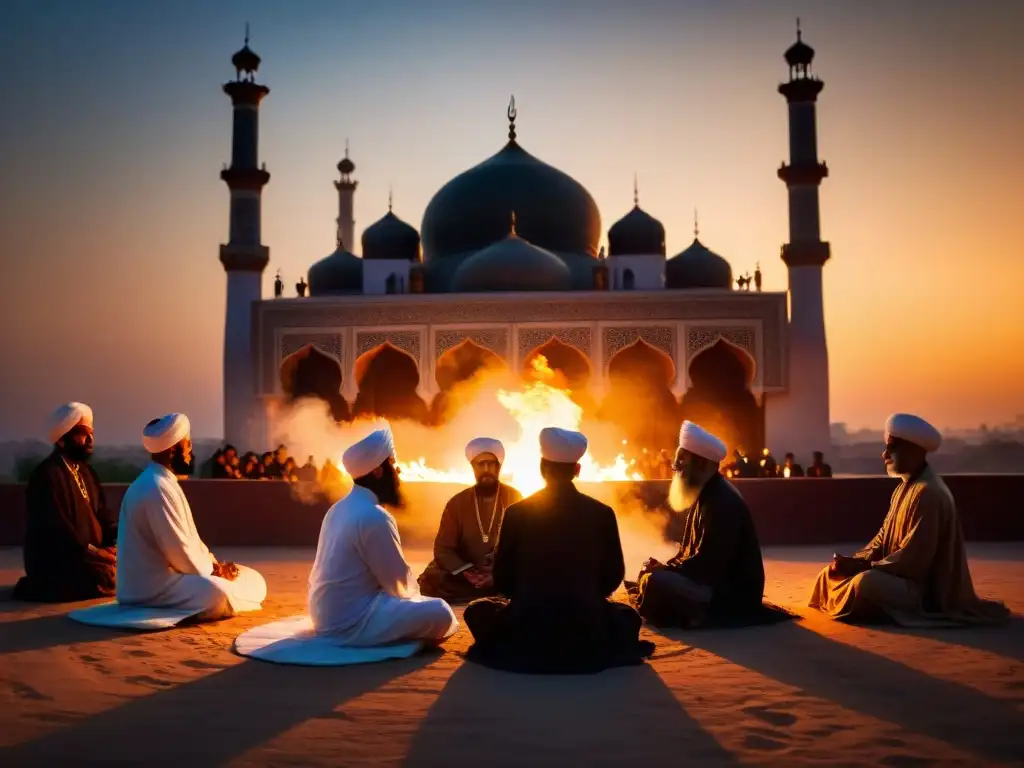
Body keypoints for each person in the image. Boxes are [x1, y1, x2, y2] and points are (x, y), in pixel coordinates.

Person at [463, 427, 654, 674]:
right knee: (628, 617)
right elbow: (612, 577)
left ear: (542, 468)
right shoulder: (602, 513)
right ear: (577, 470)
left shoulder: (516, 513)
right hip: (585, 625)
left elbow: (504, 579)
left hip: (528, 626)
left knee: (477, 611)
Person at [809, 414, 1011, 626]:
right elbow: (882, 539)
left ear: (913, 451)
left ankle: (879, 608)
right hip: (891, 573)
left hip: (918, 588)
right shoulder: (902, 489)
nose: (884, 454)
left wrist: (862, 568)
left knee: (865, 583)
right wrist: (854, 561)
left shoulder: (929, 493)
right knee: (828, 574)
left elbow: (913, 560)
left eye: (891, 448)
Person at [307, 426, 458, 646]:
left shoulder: (338, 508)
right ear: (378, 472)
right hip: (351, 621)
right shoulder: (374, 516)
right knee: (441, 612)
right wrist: (416, 597)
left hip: (322, 615)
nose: (398, 475)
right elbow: (399, 586)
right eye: (394, 467)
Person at [634, 421, 791, 628]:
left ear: (701, 464)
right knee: (650, 573)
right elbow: (692, 555)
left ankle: (695, 613)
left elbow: (710, 565)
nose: (675, 465)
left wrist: (667, 572)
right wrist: (666, 566)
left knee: (656, 581)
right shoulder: (705, 492)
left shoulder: (722, 502)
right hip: (709, 581)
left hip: (729, 592)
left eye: (682, 460)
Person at [116, 414, 267, 621]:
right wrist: (215, 572)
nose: (190, 450)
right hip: (150, 589)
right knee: (217, 592)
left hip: (168, 579)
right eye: (187, 445)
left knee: (252, 578)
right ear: (172, 450)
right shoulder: (156, 487)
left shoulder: (161, 482)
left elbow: (190, 543)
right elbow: (179, 552)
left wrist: (214, 564)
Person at [13, 403, 118, 602]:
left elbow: (102, 513)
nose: (90, 439)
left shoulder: (86, 472)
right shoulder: (46, 476)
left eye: (91, 433)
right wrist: (96, 553)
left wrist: (113, 542)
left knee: (125, 569)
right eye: (84, 434)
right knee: (99, 577)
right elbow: (56, 531)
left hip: (90, 557)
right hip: (59, 562)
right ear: (62, 439)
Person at [417, 438, 523, 602]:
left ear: (498, 466)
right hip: (466, 573)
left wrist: (497, 572)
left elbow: (523, 545)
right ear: (473, 467)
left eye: (491, 464)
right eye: (480, 464)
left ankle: (495, 584)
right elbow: (443, 549)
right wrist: (467, 572)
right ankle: (490, 588)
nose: (486, 469)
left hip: (502, 570)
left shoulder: (515, 498)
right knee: (433, 579)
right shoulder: (457, 503)